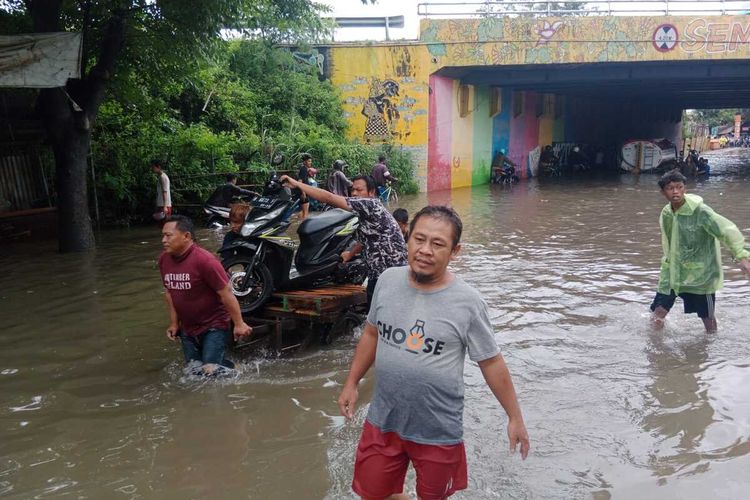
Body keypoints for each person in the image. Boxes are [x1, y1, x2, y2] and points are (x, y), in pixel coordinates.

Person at [337, 205, 530, 499]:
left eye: (438, 243)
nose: (425, 250)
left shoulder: (468, 302)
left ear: (455, 251)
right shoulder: (387, 281)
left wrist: (514, 416)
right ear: (407, 238)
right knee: (373, 494)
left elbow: (491, 362)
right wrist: (352, 382)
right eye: (419, 239)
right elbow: (371, 333)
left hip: (437, 430)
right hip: (384, 419)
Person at [278, 173, 406, 308]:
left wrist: (297, 184)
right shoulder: (366, 214)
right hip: (379, 274)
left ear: (372, 192)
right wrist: (349, 254)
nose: (355, 193)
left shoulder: (371, 205)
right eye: (353, 190)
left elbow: (328, 197)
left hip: (390, 275)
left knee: (380, 315)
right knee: (373, 313)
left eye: (359, 190)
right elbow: (364, 241)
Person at [650, 170, 750, 332]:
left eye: (679, 187)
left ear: (685, 189)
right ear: (663, 192)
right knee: (658, 313)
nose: (675, 192)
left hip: (700, 276)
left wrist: (742, 257)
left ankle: (709, 348)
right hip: (672, 272)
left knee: (707, 318)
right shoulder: (667, 213)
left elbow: (726, 231)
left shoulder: (701, 211)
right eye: (670, 188)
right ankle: (655, 348)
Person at [159, 215, 252, 375]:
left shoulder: (205, 261)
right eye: (163, 235)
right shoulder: (164, 260)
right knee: (193, 371)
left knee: (210, 371)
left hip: (213, 324)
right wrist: (174, 323)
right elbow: (169, 292)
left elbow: (226, 293)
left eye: (168, 235)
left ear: (186, 236)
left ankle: (239, 374)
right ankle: (234, 367)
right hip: (188, 327)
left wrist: (239, 323)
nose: (163, 240)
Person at [295, 153, 314, 220]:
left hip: (303, 192)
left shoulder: (305, 169)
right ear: (304, 162)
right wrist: (303, 193)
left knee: (303, 211)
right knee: (305, 213)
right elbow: (300, 182)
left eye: (310, 161)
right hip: (303, 193)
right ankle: (302, 223)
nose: (310, 162)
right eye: (309, 161)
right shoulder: (303, 169)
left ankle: (297, 221)